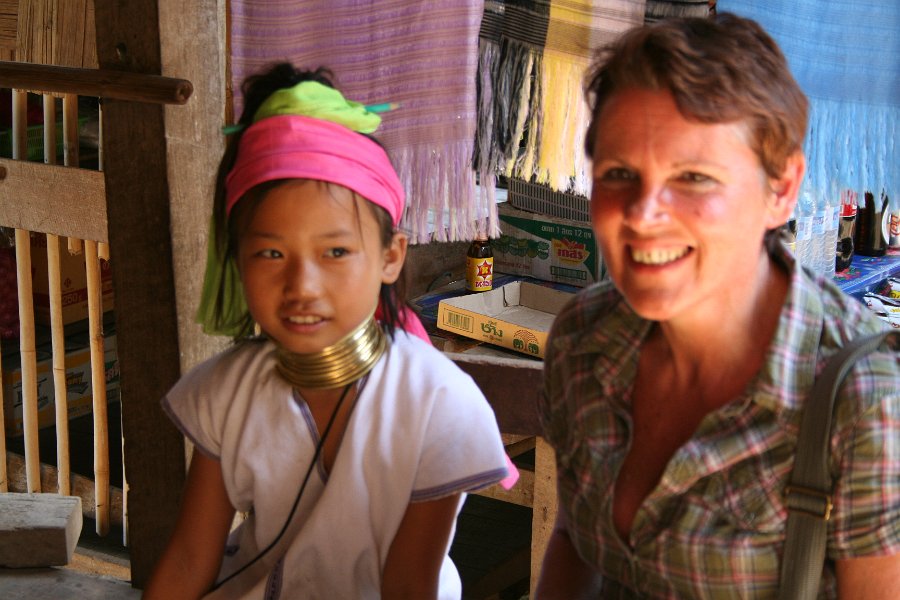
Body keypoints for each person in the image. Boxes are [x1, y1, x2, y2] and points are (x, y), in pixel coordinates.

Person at [535, 13, 900, 599]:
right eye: (619, 173)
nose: (643, 214)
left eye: (694, 177)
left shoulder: (862, 400)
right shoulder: (584, 337)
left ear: (781, 189)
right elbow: (576, 542)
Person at [143, 63, 509, 599]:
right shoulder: (228, 391)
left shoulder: (438, 404)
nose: (302, 286)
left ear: (390, 256)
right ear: (236, 261)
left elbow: (408, 586)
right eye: (270, 253)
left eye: (335, 252)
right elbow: (189, 560)